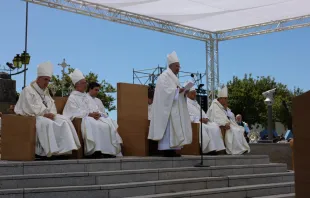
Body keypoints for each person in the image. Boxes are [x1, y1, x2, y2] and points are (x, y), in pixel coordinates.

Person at [14, 61, 81, 158]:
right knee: (48, 123)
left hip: (46, 116)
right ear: (38, 78)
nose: (47, 83)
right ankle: (47, 152)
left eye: (49, 80)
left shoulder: (45, 92)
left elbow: (51, 105)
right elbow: (29, 106)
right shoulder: (28, 90)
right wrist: (44, 114)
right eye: (45, 79)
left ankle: (63, 152)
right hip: (32, 117)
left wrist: (51, 114)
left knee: (64, 120)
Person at [63, 69, 122, 158]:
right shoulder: (72, 97)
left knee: (107, 124)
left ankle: (107, 151)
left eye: (85, 82)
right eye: (83, 83)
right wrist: (89, 114)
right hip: (84, 119)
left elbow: (95, 108)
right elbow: (73, 111)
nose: (85, 85)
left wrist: (97, 114)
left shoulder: (87, 97)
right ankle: (95, 151)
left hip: (92, 117)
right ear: (77, 85)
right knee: (93, 123)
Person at [148, 51, 192, 157]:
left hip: (174, 108)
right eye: (177, 66)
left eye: (179, 66)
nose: (179, 68)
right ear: (171, 65)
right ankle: (167, 150)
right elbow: (165, 92)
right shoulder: (164, 76)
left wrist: (183, 92)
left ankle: (174, 149)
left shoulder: (174, 78)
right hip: (167, 110)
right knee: (168, 131)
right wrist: (177, 91)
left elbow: (175, 91)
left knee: (175, 130)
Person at [206, 86, 250, 155]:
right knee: (234, 130)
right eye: (225, 99)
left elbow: (231, 116)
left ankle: (241, 149)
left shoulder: (223, 107)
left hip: (228, 124)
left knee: (239, 129)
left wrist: (226, 109)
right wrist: (224, 124)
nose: (227, 100)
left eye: (227, 99)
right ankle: (236, 150)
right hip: (220, 125)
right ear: (220, 99)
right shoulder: (214, 106)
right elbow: (215, 118)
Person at [186, 84, 225, 155]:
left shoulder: (196, 103)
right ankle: (208, 150)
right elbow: (187, 116)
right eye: (193, 93)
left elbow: (203, 113)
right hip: (194, 123)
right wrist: (199, 119)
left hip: (202, 121)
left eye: (195, 93)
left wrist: (206, 118)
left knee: (215, 126)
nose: (195, 94)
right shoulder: (185, 103)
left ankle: (217, 148)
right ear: (188, 94)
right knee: (204, 127)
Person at [86, 81, 123, 156]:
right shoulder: (84, 98)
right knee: (100, 126)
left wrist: (100, 114)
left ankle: (109, 151)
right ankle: (97, 150)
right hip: (89, 117)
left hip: (99, 117)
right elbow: (84, 110)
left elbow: (104, 113)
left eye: (98, 90)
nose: (97, 92)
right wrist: (91, 114)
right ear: (90, 89)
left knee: (110, 124)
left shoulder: (98, 100)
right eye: (96, 90)